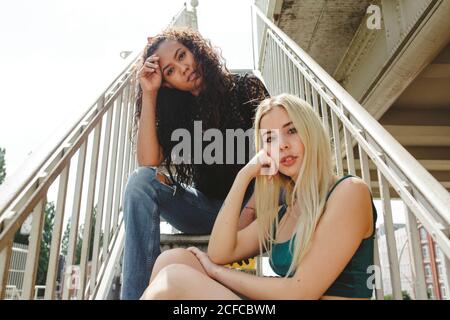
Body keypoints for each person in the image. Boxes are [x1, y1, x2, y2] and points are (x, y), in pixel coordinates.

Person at [141, 93, 378, 300]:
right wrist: (243, 176)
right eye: (270, 139)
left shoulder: (349, 191)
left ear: (311, 131)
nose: (282, 145)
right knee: (172, 260)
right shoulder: (282, 215)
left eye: (291, 130)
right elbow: (219, 252)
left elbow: (300, 293)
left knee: (174, 279)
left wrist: (217, 272)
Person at [121, 26, 270, 300]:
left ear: (195, 50)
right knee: (140, 182)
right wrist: (150, 92)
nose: (183, 68)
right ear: (168, 83)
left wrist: (244, 218)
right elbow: (148, 162)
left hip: (255, 206)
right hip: (207, 210)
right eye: (170, 71)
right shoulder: (178, 113)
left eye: (182, 55)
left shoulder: (244, 88)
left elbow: (273, 159)